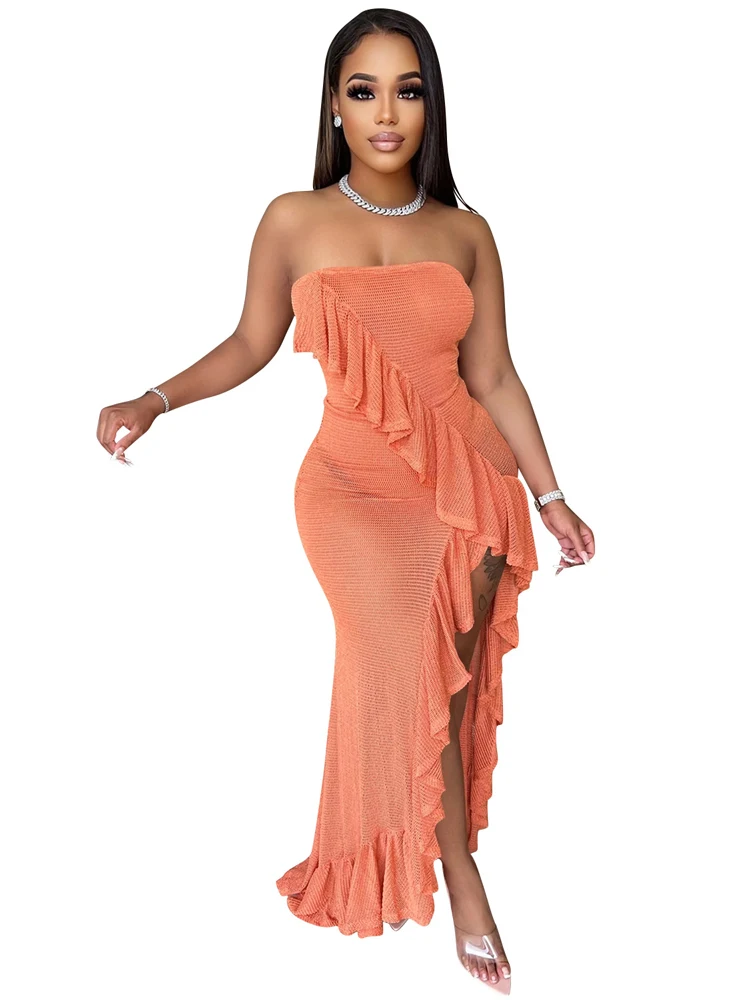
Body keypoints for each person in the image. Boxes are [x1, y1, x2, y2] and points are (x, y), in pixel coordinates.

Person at [96, 9, 595, 992]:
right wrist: (155, 398)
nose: (386, 113)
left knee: (445, 682)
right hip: (350, 492)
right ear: (334, 105)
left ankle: (444, 855)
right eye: (364, 91)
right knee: (402, 657)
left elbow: (494, 375)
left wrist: (550, 495)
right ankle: (462, 877)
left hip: (464, 483)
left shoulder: (468, 232)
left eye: (408, 90)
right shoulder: (293, 218)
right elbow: (251, 342)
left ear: (431, 106)